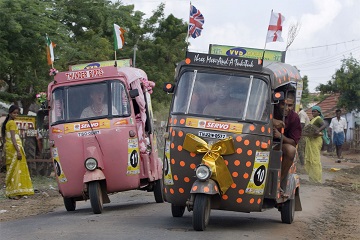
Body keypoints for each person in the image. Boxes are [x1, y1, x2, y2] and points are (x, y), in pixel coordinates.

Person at [1, 105, 34, 200]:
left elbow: (5, 139)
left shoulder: (7, 123)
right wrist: (18, 151)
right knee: (17, 170)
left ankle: (13, 192)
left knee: (12, 170)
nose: (16, 114)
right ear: (10, 113)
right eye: (14, 113)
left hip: (9, 149)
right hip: (14, 149)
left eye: (17, 113)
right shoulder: (11, 123)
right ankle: (17, 191)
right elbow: (13, 139)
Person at [273, 91, 302, 188]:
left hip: (277, 146)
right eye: (283, 104)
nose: (286, 108)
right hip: (260, 143)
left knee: (291, 150)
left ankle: (278, 182)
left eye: (289, 105)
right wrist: (271, 121)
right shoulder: (269, 110)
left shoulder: (294, 118)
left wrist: (280, 136)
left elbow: (293, 142)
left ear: (293, 105)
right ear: (278, 103)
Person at [303, 106, 330, 183]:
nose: (313, 113)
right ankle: (312, 178)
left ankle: (317, 179)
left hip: (316, 141)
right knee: (310, 159)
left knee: (315, 159)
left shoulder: (318, 118)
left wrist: (317, 130)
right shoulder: (312, 120)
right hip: (311, 141)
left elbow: (324, 125)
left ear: (319, 112)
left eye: (315, 111)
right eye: (312, 111)